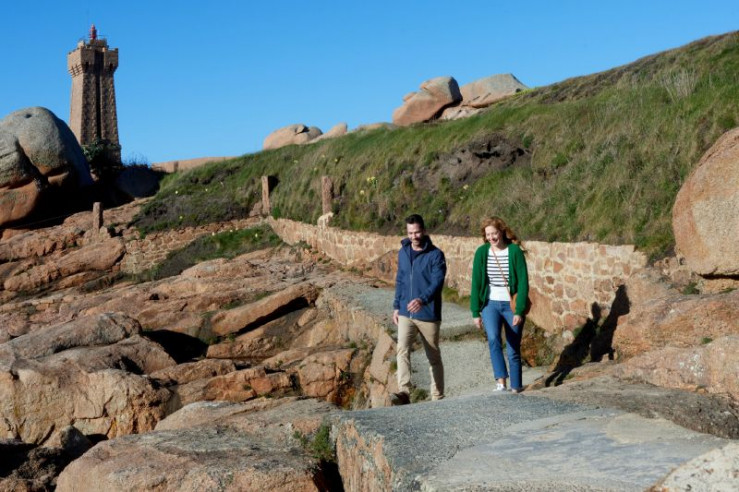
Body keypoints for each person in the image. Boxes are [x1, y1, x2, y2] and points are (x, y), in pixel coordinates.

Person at [391, 214, 447, 405]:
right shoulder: (403, 252)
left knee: (433, 356)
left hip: (428, 314)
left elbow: (437, 282)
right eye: (410, 233)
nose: (413, 236)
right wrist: (396, 306)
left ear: (423, 230)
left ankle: (437, 396)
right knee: (402, 349)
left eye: (416, 232)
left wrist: (422, 300)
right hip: (406, 312)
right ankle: (404, 391)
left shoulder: (436, 254)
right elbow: (400, 280)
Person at [470, 216, 529, 393]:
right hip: (490, 304)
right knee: (494, 339)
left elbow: (523, 283)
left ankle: (516, 386)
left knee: (512, 347)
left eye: (494, 233)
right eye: (488, 234)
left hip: (511, 305)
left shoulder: (515, 251)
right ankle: (501, 383)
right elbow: (476, 283)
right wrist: (475, 312)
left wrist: (519, 311)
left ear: (502, 231)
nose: (492, 237)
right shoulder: (482, 252)